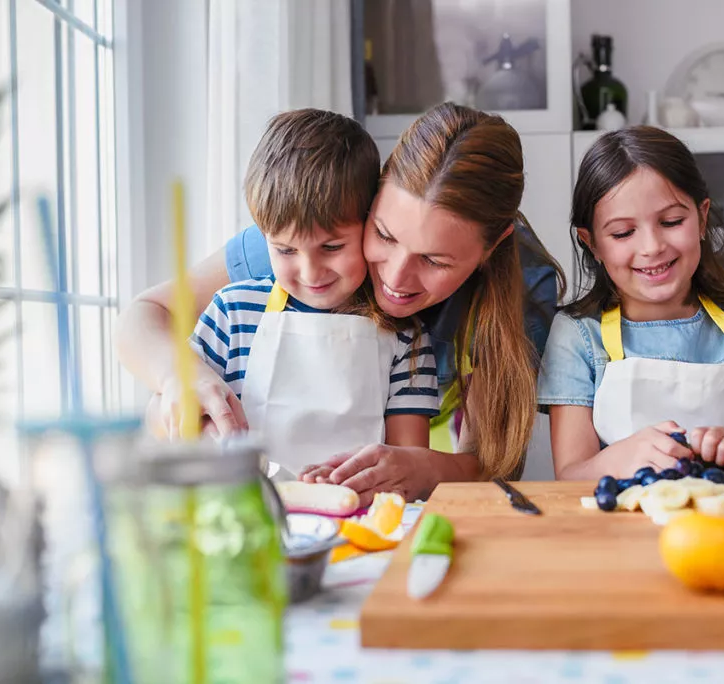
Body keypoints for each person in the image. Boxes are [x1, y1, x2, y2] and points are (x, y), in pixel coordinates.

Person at [116, 102, 564, 506]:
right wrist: (180, 379)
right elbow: (147, 315)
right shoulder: (308, 236)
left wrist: (420, 467)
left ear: (493, 246)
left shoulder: (522, 289)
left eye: (434, 260)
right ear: (373, 198)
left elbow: (489, 461)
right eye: (384, 235)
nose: (395, 276)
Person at [537, 126, 724, 481]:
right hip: (615, 532)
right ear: (592, 244)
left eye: (671, 222)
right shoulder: (577, 334)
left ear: (702, 218)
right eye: (623, 233)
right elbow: (571, 475)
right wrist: (620, 458)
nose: (652, 246)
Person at [182, 109, 438, 476]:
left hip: (357, 519)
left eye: (331, 248)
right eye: (285, 250)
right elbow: (170, 418)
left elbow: (406, 467)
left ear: (371, 225)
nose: (309, 272)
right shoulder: (231, 313)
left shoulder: (406, 338)